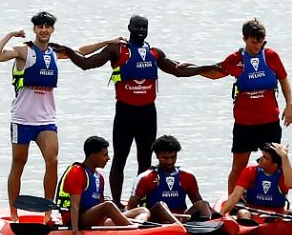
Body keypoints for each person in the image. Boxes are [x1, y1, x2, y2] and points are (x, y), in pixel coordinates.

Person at [72, 15, 219, 207]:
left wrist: (208, 67)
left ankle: (142, 203)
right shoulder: (117, 50)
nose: (141, 30)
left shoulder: (155, 53)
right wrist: (67, 51)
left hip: (148, 113)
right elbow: (86, 64)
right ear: (129, 28)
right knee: (120, 158)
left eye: (144, 27)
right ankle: (116, 204)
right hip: (125, 112)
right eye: (137, 27)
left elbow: (178, 70)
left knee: (145, 159)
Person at [0, 11, 96, 220]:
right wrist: (10, 33)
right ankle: (14, 213)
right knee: (19, 163)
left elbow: (81, 51)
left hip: (46, 121)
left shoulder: (55, 53)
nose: (44, 30)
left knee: (52, 161)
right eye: (40, 27)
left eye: (47, 27)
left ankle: (47, 212)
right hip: (22, 120)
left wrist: (109, 42)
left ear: (52, 29)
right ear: (35, 29)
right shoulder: (23, 51)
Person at [204, 19, 292, 192]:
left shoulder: (271, 56)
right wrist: (193, 70)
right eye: (253, 41)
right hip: (245, 123)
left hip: (269, 121)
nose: (257, 45)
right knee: (238, 166)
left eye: (260, 41)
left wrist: (289, 105)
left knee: (274, 164)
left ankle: (275, 199)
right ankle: (232, 204)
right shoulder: (236, 59)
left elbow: (283, 80)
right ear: (245, 39)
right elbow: (215, 74)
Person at [54, 136, 144, 235]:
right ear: (93, 156)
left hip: (94, 219)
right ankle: (136, 231)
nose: (108, 158)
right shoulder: (77, 172)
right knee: (109, 205)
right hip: (76, 220)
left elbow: (100, 204)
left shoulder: (99, 177)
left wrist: (118, 214)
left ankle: (141, 228)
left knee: (142, 210)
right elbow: (74, 205)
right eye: (105, 155)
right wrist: (75, 232)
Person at [127, 135, 218, 224]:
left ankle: (213, 225)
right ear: (157, 156)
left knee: (202, 204)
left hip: (181, 218)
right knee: (161, 205)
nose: (170, 161)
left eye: (173, 157)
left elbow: (197, 202)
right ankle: (178, 227)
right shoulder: (145, 178)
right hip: (156, 220)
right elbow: (131, 208)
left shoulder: (187, 176)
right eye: (165, 158)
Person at [217, 143, 292, 218]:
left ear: (275, 164)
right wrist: (221, 214)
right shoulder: (250, 171)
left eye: (265, 158)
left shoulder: (284, 175)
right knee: (243, 213)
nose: (260, 159)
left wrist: (284, 156)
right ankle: (247, 226)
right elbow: (235, 196)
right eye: (262, 155)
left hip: (277, 215)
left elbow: (290, 184)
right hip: (252, 213)